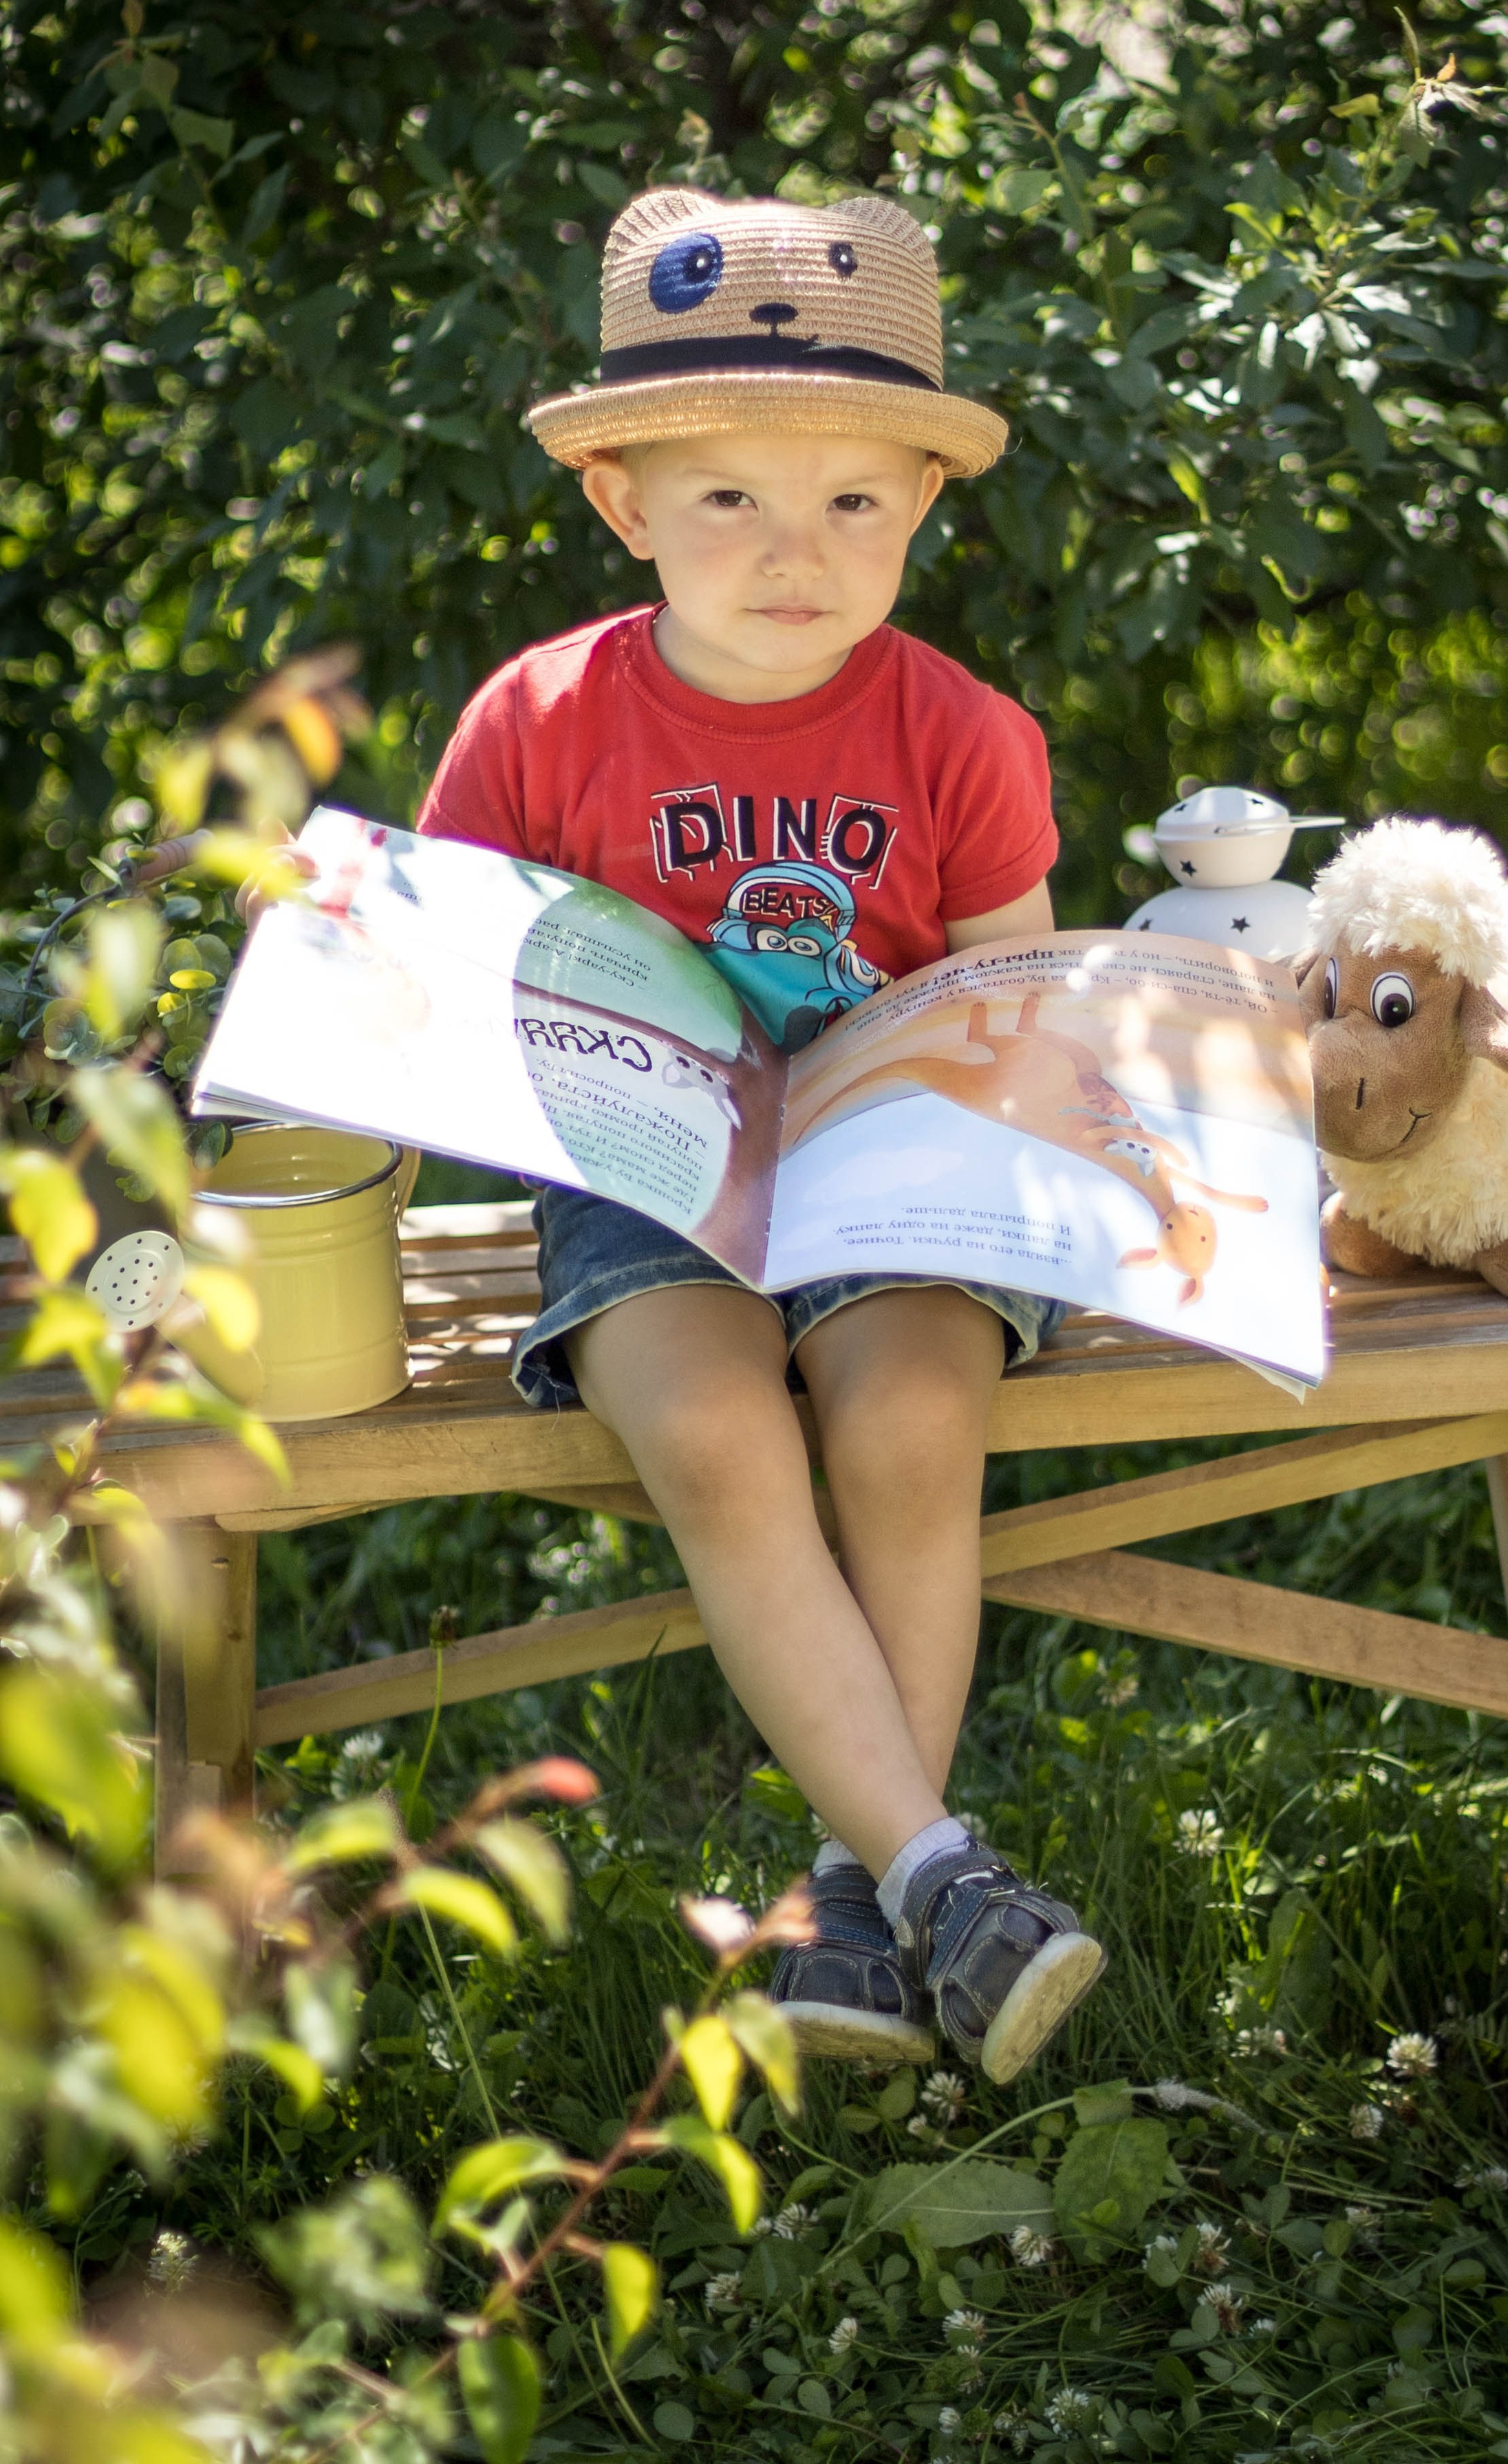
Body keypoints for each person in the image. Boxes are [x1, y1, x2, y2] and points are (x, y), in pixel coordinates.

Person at [416, 186, 1106, 2082]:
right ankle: (945, 1877)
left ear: (923, 509)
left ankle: (853, 1904)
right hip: (646, 1174)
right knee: (717, 1429)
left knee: (905, 1416)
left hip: (894, 1175)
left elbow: (1012, 1018)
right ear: (627, 502)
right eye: (731, 498)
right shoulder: (541, 720)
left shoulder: (962, 736)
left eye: (853, 504)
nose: (795, 552)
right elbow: (442, 990)